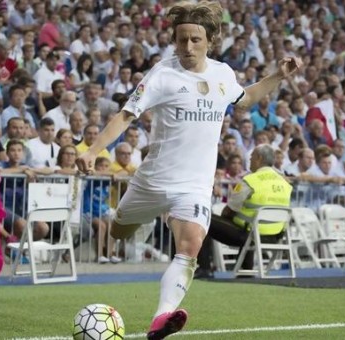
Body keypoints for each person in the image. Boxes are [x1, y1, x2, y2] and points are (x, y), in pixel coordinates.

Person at [76, 2, 302, 339]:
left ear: (210, 40)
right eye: (181, 40)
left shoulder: (223, 74)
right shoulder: (162, 74)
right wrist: (94, 150)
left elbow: (246, 98)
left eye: (195, 39)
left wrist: (278, 76)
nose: (187, 47)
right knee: (120, 231)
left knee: (191, 245)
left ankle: (161, 318)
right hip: (152, 181)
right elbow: (126, 115)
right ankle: (129, 220)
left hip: (193, 185)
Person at [196, 145, 292, 279]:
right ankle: (244, 269)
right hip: (275, 235)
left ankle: (205, 268)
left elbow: (229, 210)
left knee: (203, 219)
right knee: (250, 224)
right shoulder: (284, 182)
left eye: (252, 157)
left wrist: (229, 217)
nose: (250, 161)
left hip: (249, 235)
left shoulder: (250, 181)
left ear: (259, 158)